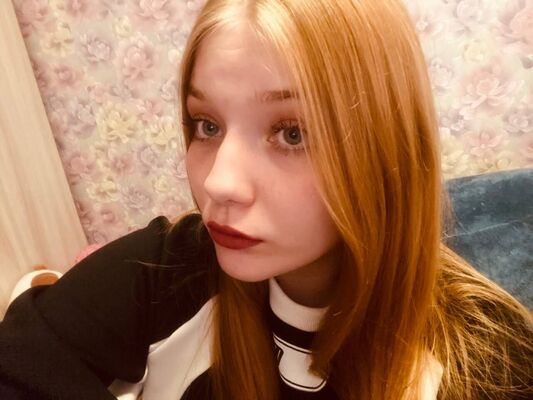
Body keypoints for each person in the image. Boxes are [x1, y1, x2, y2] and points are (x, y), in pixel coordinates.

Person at [0, 0, 531, 399]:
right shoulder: (167, 268)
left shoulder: (488, 366)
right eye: (207, 125)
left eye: (292, 133)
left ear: (387, 150)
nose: (219, 183)